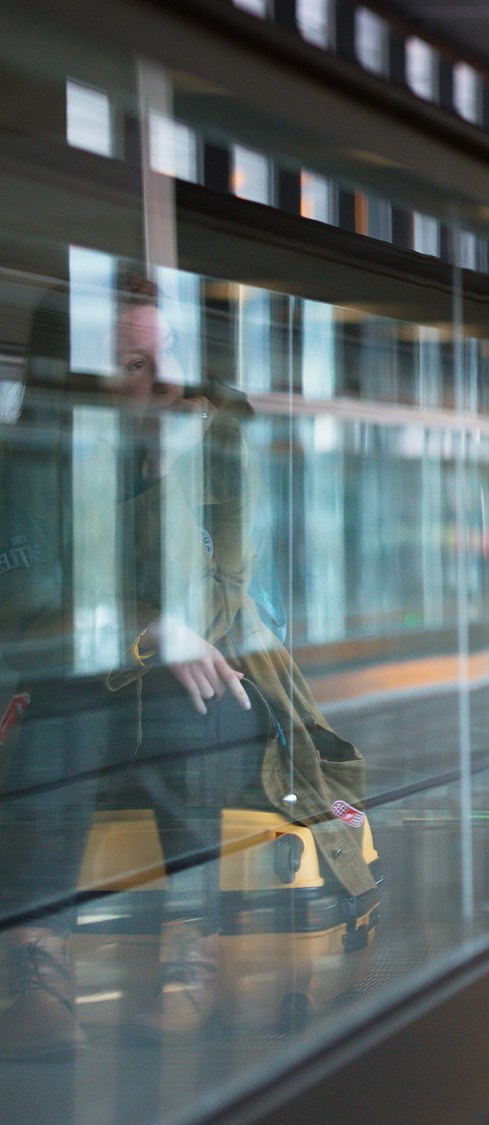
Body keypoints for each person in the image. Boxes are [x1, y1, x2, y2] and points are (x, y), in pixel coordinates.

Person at [0, 270, 372, 1057]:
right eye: (135, 365)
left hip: (210, 711)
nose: (166, 378)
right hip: (79, 725)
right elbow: (30, 617)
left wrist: (169, 473)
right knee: (70, 695)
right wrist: (143, 629)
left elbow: (214, 606)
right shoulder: (33, 455)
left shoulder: (216, 436)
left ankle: (190, 946)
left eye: (165, 349)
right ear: (80, 381)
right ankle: (38, 967)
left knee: (193, 687)